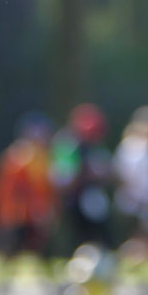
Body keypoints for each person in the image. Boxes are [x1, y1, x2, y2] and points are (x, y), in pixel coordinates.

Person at [0, 111, 57, 295]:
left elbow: (46, 189)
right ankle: (2, 286)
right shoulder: (18, 157)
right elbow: (13, 190)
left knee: (41, 252)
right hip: (18, 215)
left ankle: (50, 286)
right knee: (13, 252)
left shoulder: (42, 157)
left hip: (33, 216)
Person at [113, 105, 148, 295]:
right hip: (135, 203)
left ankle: (143, 280)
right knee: (140, 241)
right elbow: (124, 177)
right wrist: (138, 197)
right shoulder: (131, 147)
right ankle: (117, 268)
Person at [50, 102, 114, 252]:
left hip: (91, 196)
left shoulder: (93, 146)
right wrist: (85, 174)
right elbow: (63, 176)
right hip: (74, 198)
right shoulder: (67, 144)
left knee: (98, 234)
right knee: (79, 237)